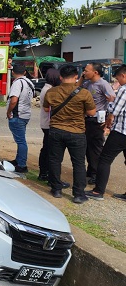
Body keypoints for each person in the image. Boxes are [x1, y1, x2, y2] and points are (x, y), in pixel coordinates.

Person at [43, 64, 96, 204]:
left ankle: (56, 189)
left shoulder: (51, 92)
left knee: (55, 160)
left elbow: (46, 108)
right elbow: (91, 113)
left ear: (61, 77)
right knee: (78, 163)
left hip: (56, 130)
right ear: (76, 77)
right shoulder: (84, 93)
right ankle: (78, 194)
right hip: (76, 132)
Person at [86, 65, 126, 201]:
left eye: (118, 78)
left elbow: (115, 110)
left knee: (104, 159)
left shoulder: (124, 89)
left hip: (121, 131)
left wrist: (109, 105)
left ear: (123, 76)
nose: (117, 81)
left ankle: (98, 191)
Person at [77, 63, 116, 185]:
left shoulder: (103, 84)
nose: (84, 72)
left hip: (97, 120)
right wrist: (82, 77)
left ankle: (96, 174)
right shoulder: (87, 83)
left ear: (95, 72)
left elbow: (112, 98)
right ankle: (91, 170)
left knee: (96, 148)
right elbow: (76, 88)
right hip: (86, 119)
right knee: (87, 147)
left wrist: (108, 115)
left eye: (86, 71)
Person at [6, 62, 34, 173]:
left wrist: (9, 112)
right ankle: (18, 160)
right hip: (25, 114)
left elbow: (14, 100)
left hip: (18, 115)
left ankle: (22, 165)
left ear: (13, 72)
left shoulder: (17, 83)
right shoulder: (29, 82)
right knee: (20, 139)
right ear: (25, 72)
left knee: (21, 141)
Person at [38, 68, 61, 182]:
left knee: (46, 148)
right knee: (48, 149)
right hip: (48, 123)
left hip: (45, 122)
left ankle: (43, 172)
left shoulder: (47, 88)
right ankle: (44, 172)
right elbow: (48, 109)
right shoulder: (49, 90)